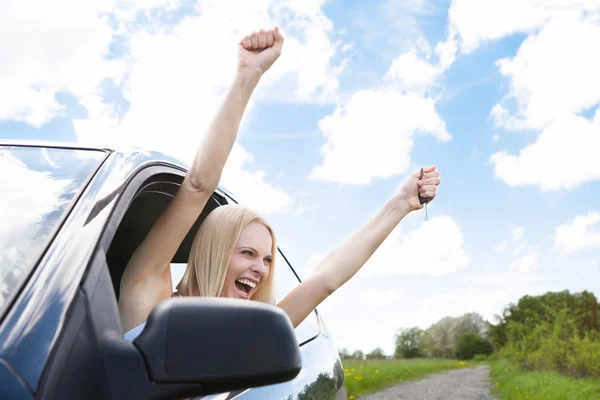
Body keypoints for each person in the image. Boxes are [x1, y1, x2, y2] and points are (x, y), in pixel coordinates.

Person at [119, 27, 441, 341]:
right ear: (212, 251)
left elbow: (323, 281)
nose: (261, 269)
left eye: (267, 259)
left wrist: (400, 204)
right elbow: (197, 186)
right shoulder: (150, 299)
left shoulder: (252, 333)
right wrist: (247, 75)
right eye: (248, 252)